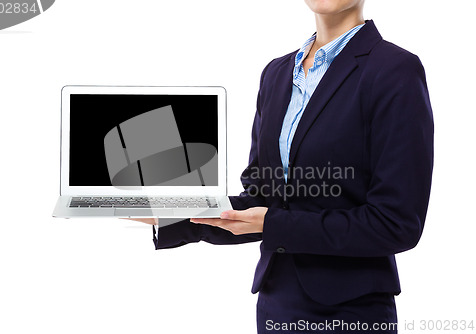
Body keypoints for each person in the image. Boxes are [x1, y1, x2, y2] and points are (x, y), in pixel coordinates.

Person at [131, 0, 434, 333]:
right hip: (277, 302)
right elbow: (262, 198)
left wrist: (274, 224)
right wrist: (173, 210)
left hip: (351, 311)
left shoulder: (394, 70)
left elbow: (396, 223)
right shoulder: (276, 73)